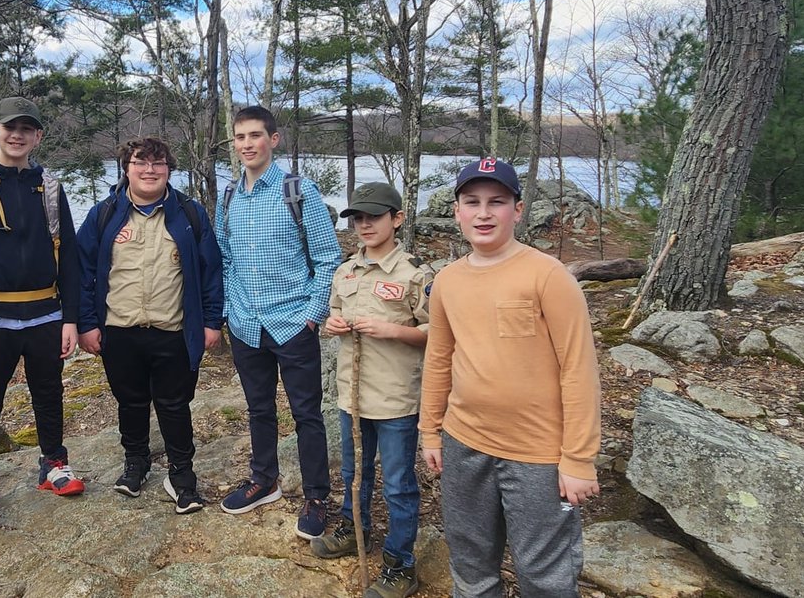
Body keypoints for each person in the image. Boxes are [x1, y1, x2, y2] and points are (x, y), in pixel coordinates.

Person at [419, 158, 601, 598]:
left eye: (497, 202)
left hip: (537, 453)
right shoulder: (447, 282)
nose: (484, 213)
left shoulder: (547, 276)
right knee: (470, 560)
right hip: (465, 443)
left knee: (544, 572)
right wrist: (430, 431)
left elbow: (579, 368)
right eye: (472, 202)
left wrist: (578, 458)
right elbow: (439, 359)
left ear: (517, 210)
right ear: (457, 210)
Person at [0, 96, 82, 525]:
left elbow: (72, 260)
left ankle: (53, 463)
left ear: (37, 136)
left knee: (49, 393)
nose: (17, 135)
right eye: (9, 127)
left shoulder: (52, 189)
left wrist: (72, 319)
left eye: (26, 128)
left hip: (45, 313)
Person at [214, 105, 343, 539]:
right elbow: (225, 258)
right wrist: (231, 309)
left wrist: (312, 315)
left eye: (255, 136)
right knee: (259, 408)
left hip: (292, 322)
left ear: (274, 139)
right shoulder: (228, 195)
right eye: (240, 137)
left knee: (307, 414)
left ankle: (316, 496)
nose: (247, 144)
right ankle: (263, 479)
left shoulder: (298, 191)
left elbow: (327, 259)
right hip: (246, 323)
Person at [77, 136, 224, 514]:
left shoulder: (189, 215)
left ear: (169, 170)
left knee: (175, 405)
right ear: (126, 169)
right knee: (130, 401)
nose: (150, 170)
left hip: (173, 330)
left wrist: (211, 321)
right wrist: (86, 324)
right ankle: (135, 464)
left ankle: (182, 477)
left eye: (158, 163)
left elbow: (211, 272)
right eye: (141, 163)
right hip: (120, 330)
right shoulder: (104, 214)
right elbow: (82, 272)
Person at [310, 182, 429, 598]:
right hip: (352, 395)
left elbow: (437, 332)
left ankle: (401, 564)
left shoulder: (415, 274)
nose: (364, 225)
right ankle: (351, 529)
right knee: (353, 472)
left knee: (397, 483)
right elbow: (334, 314)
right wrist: (333, 324)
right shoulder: (346, 270)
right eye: (358, 218)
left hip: (395, 398)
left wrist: (393, 330)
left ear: (396, 219)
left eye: (374, 217)